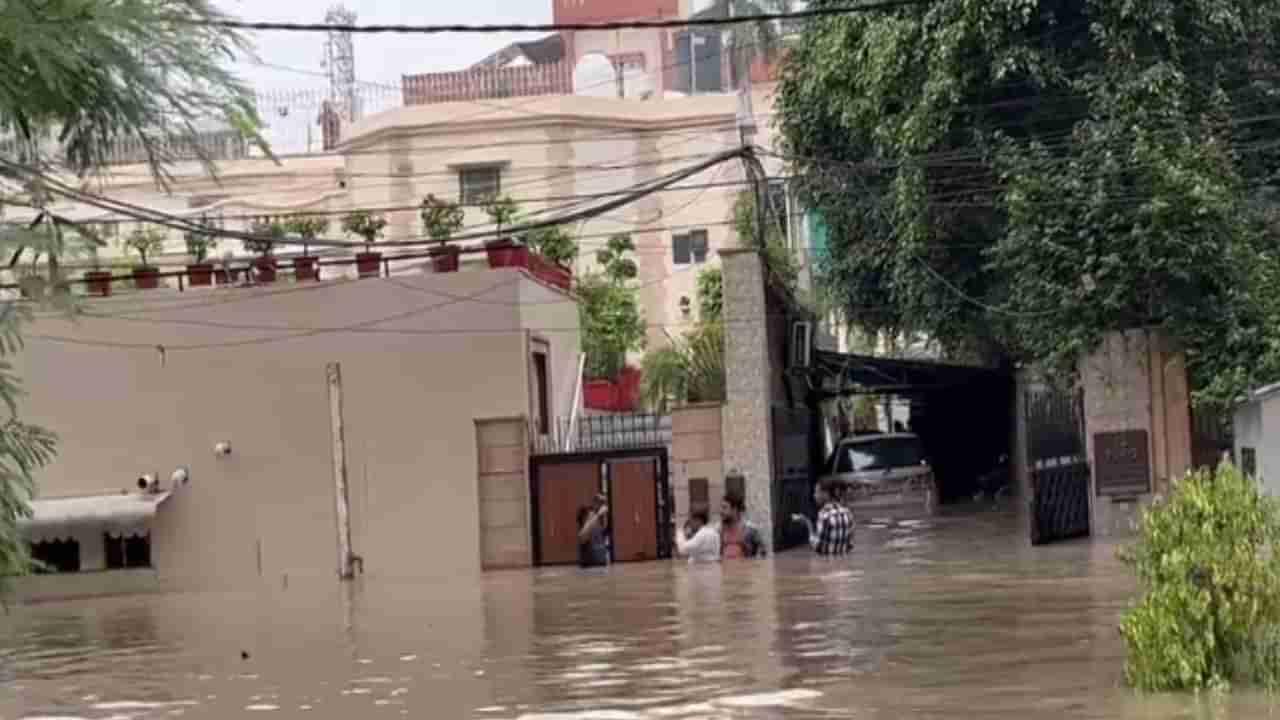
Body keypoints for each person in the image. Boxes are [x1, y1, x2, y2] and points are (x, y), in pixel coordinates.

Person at [792, 479, 854, 555]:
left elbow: (817, 547)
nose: (814, 495)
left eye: (816, 492)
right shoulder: (848, 513)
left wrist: (808, 523)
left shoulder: (824, 515)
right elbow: (850, 545)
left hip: (826, 564)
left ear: (825, 494)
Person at [720, 492, 765, 559]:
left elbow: (763, 552)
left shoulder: (750, 530)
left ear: (734, 509)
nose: (721, 511)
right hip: (725, 568)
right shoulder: (720, 530)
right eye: (721, 507)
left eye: (724, 508)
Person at [577, 493, 610, 568]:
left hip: (601, 568)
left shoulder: (600, 528)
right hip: (588, 571)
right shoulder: (584, 531)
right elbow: (583, 533)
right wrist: (598, 514)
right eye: (591, 514)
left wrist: (602, 514)